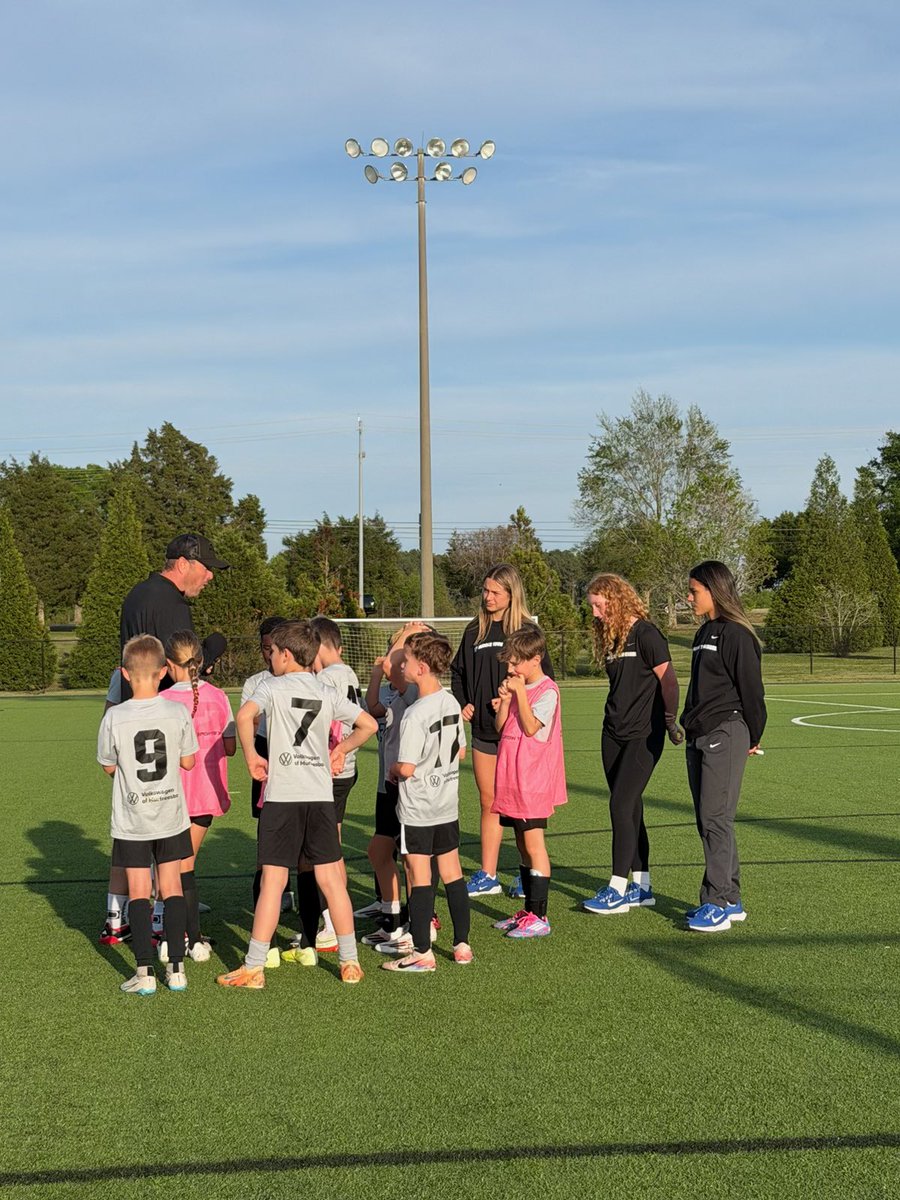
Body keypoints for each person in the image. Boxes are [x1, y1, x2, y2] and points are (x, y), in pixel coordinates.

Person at [220, 620, 377, 988]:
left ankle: (254, 966)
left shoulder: (271, 686)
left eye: (272, 652)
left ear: (286, 655)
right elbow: (367, 724)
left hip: (283, 795)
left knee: (274, 880)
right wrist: (340, 749)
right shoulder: (325, 690)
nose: (270, 658)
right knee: (331, 879)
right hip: (320, 795)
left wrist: (251, 759)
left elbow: (244, 716)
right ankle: (350, 961)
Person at [98, 532, 229, 946]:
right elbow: (182, 666)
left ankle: (116, 914)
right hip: (158, 719)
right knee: (169, 817)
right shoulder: (173, 603)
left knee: (129, 823)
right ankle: (166, 903)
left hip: (124, 710)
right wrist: (206, 655)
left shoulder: (137, 593)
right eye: (207, 569)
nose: (210, 578)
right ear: (185, 563)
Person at [96, 635, 198, 995]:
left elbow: (108, 767)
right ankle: (177, 969)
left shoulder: (115, 716)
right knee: (171, 889)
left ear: (125, 674)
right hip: (170, 813)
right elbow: (188, 761)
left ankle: (144, 972)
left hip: (132, 817)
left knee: (139, 891)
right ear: (162, 673)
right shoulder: (177, 711)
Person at [582, 574, 683, 915]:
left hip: (645, 734)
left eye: (599, 605)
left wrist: (670, 722)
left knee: (620, 805)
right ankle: (642, 887)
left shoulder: (646, 634)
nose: (595, 613)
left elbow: (668, 681)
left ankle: (617, 888)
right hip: (613, 733)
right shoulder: (612, 637)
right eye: (592, 606)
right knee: (630, 807)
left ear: (615, 598)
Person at [450, 564, 553, 899]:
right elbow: (458, 674)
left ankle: (527, 874)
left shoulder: (525, 631)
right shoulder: (473, 631)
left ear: (511, 593)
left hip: (519, 736)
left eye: (495, 591)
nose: (488, 597)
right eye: (485, 590)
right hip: (483, 731)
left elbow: (542, 678)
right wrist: (464, 702)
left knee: (520, 808)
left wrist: (514, 699)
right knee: (489, 802)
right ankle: (488, 873)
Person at [681, 560, 766, 933]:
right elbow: (698, 687)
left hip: (726, 731)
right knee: (709, 820)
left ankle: (716, 902)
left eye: (693, 590)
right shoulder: (703, 633)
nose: (688, 597)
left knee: (716, 817)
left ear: (714, 590)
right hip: (699, 733)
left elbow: (752, 692)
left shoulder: (737, 635)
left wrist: (753, 735)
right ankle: (730, 898)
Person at [382, 632, 471, 973]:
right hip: (446, 803)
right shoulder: (450, 703)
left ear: (420, 668)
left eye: (404, 661)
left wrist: (393, 769)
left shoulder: (416, 713)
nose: (400, 666)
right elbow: (459, 750)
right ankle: (461, 944)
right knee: (452, 872)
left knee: (419, 875)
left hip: (418, 806)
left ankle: (422, 951)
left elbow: (405, 766)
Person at [157, 630, 235, 964]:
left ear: (168, 664)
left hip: (170, 794)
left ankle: (179, 936)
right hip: (205, 792)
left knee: (171, 869)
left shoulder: (162, 702)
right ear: (201, 662)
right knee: (185, 866)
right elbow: (230, 747)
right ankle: (193, 937)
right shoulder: (218, 697)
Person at [490, 625, 567, 938]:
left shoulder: (547, 690)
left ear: (535, 659)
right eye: (508, 662)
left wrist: (519, 694)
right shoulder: (515, 687)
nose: (510, 668)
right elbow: (500, 727)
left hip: (532, 781)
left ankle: (541, 915)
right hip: (511, 778)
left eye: (516, 662)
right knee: (521, 844)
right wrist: (505, 703)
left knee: (535, 845)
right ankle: (528, 911)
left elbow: (533, 727)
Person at [305, 615, 364, 954]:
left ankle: (333, 921)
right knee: (333, 841)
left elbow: (335, 725)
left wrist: (333, 752)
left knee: (327, 848)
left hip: (332, 769)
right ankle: (338, 917)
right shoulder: (348, 672)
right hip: (347, 768)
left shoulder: (327, 679)